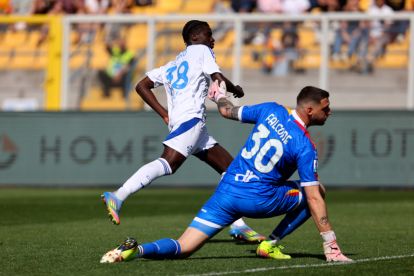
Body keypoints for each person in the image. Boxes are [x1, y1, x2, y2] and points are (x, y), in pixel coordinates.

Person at [100, 84, 353, 263]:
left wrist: (219, 95)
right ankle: (271, 243)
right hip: (258, 199)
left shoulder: (271, 109)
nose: (328, 112)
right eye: (325, 108)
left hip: (227, 192)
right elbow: (315, 200)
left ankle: (136, 251)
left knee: (184, 246)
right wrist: (329, 243)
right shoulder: (305, 145)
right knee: (316, 192)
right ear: (310, 110)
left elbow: (226, 111)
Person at [101, 20, 266, 243]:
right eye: (209, 35)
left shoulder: (173, 63)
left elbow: (141, 85)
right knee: (169, 163)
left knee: (231, 169)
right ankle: (118, 195)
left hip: (186, 122)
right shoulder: (202, 50)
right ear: (196, 38)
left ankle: (238, 225)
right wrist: (226, 90)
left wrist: (164, 114)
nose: (212, 39)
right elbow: (216, 76)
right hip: (191, 119)